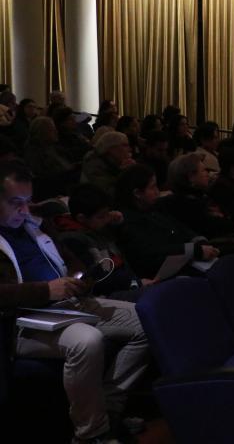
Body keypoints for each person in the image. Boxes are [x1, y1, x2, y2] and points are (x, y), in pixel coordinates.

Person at [0, 161, 150, 442]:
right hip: (22, 321)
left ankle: (108, 410)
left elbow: (72, 261)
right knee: (87, 340)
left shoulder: (36, 224)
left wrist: (78, 279)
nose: (24, 209)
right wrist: (46, 291)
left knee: (148, 319)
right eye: (15, 203)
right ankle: (91, 434)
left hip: (66, 304)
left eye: (28, 201)